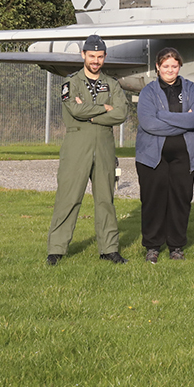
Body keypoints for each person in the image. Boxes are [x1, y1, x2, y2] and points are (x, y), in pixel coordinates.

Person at [46, 34, 129, 265]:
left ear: (104, 57)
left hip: (104, 144)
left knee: (105, 199)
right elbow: (75, 110)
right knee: (68, 197)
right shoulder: (71, 82)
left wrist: (91, 115)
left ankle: (109, 248)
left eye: (100, 56)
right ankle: (56, 249)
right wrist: (103, 107)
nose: (95, 61)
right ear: (83, 55)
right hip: (76, 144)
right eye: (91, 56)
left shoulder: (112, 83)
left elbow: (121, 113)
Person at [136, 47, 194, 263]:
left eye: (174, 66)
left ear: (179, 67)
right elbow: (148, 123)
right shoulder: (148, 92)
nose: (170, 70)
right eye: (165, 66)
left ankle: (176, 246)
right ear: (157, 67)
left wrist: (163, 116)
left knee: (181, 200)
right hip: (152, 156)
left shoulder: (191, 89)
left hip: (184, 155)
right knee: (153, 201)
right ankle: (152, 246)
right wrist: (183, 121)